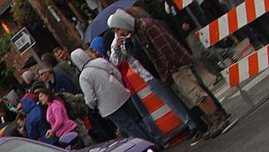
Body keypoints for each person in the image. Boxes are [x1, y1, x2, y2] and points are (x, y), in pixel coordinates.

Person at [108, 9, 229, 138]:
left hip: (175, 67)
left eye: (117, 29)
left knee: (197, 94)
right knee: (192, 99)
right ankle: (212, 120)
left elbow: (164, 48)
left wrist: (171, 69)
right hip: (168, 70)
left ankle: (218, 118)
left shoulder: (146, 26)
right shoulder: (137, 33)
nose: (118, 33)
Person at [72, 48, 157, 143]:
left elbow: (90, 99)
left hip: (110, 107)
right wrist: (119, 86)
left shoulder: (84, 77)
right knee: (137, 121)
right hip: (122, 94)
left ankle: (148, 144)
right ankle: (154, 141)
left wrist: (93, 106)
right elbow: (117, 74)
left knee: (129, 126)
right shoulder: (100, 61)